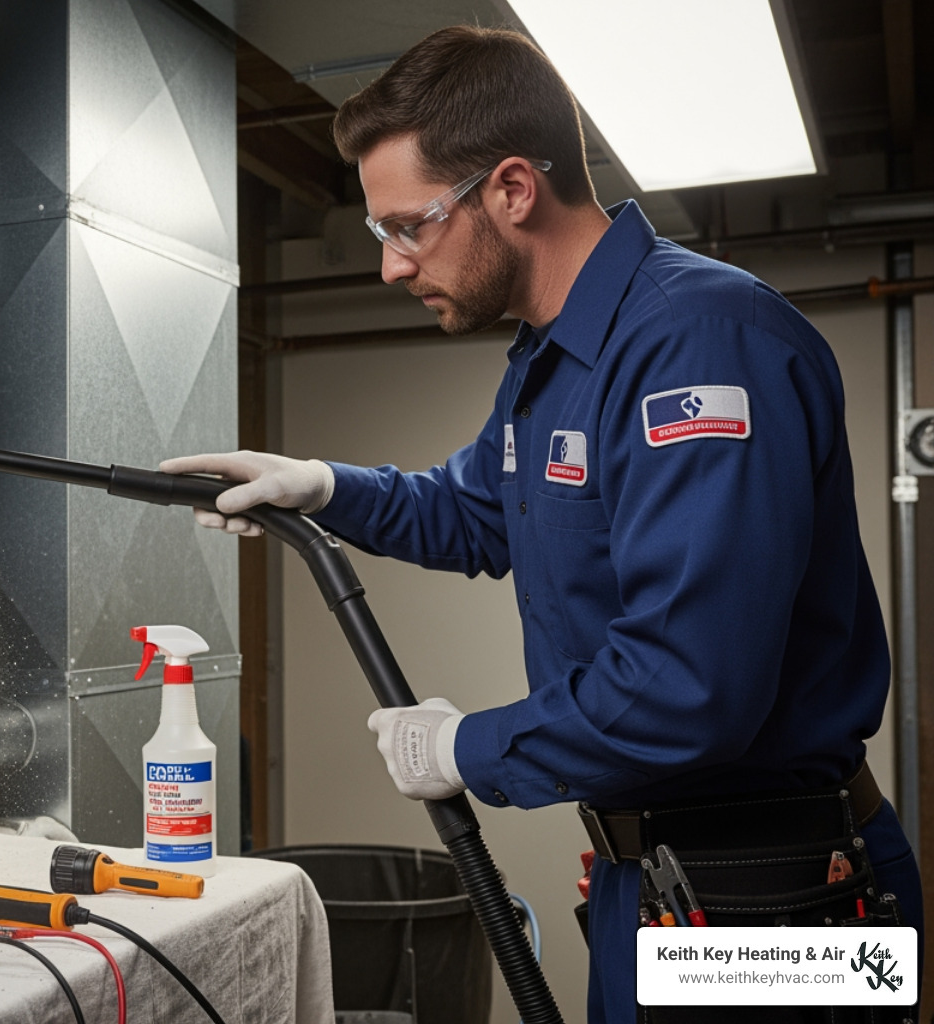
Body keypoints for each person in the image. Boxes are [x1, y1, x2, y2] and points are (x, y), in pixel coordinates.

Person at [162, 24, 923, 1024]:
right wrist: (322, 487)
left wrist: (466, 749)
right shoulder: (553, 361)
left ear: (512, 189)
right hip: (654, 877)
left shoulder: (698, 342)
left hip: (775, 897)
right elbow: (477, 511)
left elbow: (690, 687)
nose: (390, 266)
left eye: (408, 226)